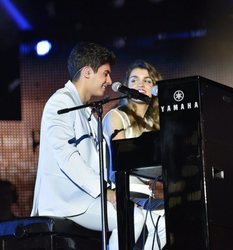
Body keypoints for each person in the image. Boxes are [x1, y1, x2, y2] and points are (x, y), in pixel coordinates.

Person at [30, 42, 145, 250]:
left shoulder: (90, 112)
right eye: (106, 74)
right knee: (131, 217)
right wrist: (104, 192)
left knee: (143, 216)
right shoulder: (60, 103)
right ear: (87, 72)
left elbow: (98, 164)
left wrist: (117, 190)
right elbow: (68, 157)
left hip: (84, 197)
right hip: (65, 201)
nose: (109, 81)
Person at [103, 59, 166, 249]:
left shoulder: (157, 124)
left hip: (149, 191)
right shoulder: (116, 116)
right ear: (125, 86)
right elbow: (123, 160)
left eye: (147, 80)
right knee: (133, 219)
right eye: (134, 80)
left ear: (154, 88)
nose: (141, 84)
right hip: (123, 189)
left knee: (167, 222)